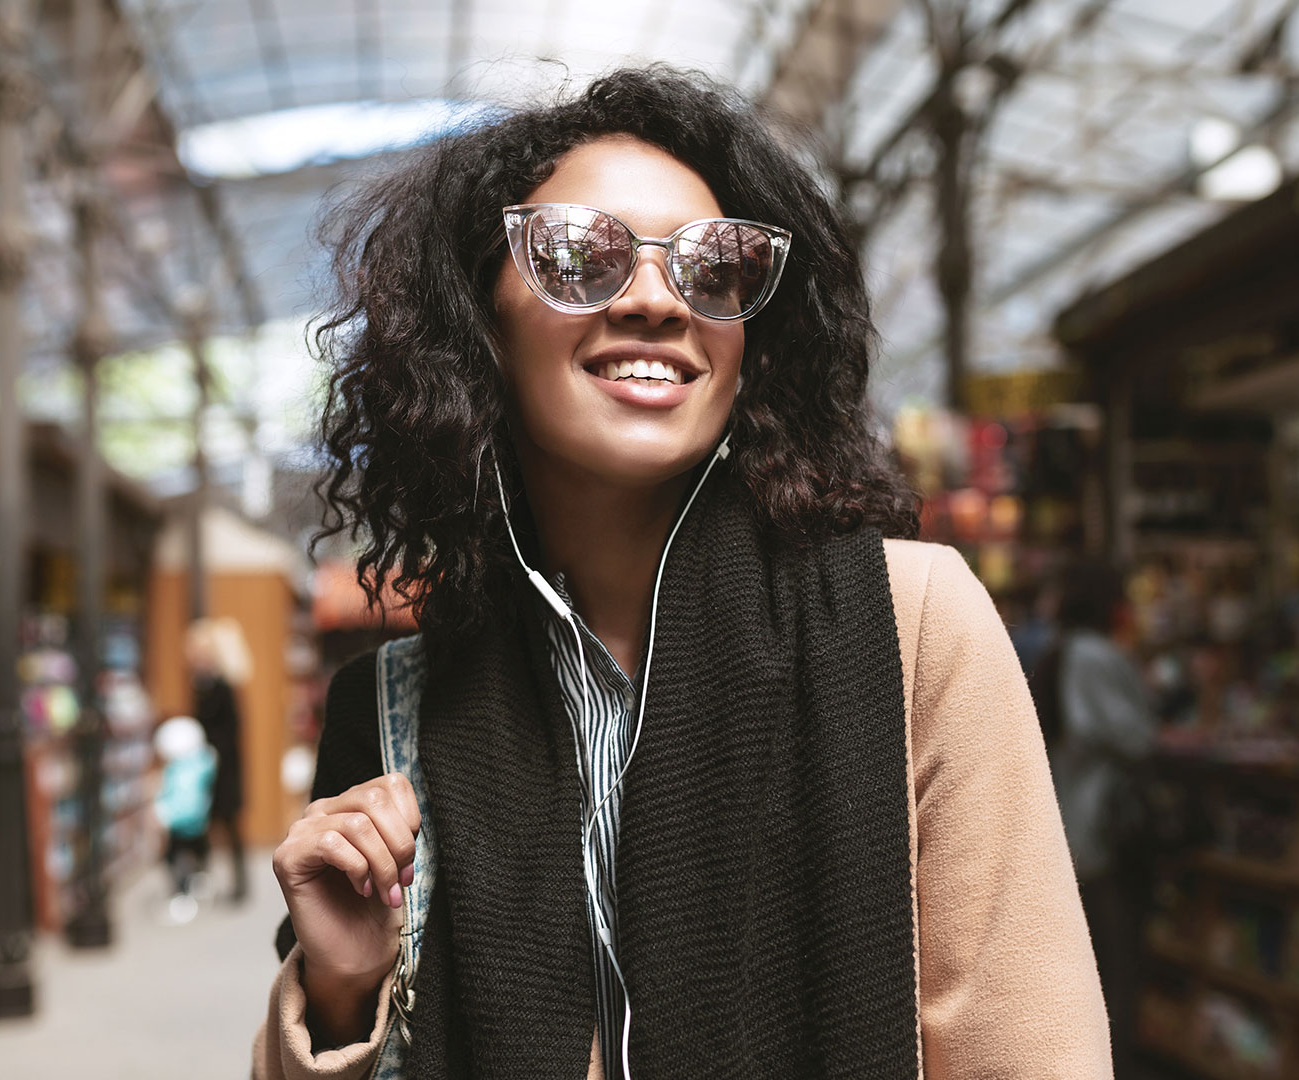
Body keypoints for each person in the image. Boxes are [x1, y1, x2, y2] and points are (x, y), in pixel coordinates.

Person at [256, 68, 1108, 1079]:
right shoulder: (395, 712)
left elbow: (1029, 1053)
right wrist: (346, 990)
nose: (660, 300)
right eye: (580, 256)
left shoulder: (911, 624)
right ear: (476, 323)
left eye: (713, 269)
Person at [1032, 561, 1158, 1071]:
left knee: (1084, 968)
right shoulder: (1094, 655)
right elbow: (1136, 737)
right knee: (1114, 963)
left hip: (1068, 829)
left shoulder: (1057, 652)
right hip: (1098, 832)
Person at [187, 617, 252, 903]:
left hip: (223, 770)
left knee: (229, 825)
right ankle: (203, 878)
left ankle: (238, 884)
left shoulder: (221, 687)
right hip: (209, 768)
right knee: (210, 825)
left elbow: (228, 730)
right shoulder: (202, 685)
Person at [153, 715, 217, 923]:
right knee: (198, 854)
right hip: (199, 821)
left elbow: (183, 800)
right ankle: (199, 883)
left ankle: (184, 896)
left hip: (181, 823)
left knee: (174, 859)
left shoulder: (181, 771)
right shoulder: (204, 762)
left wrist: (164, 815)